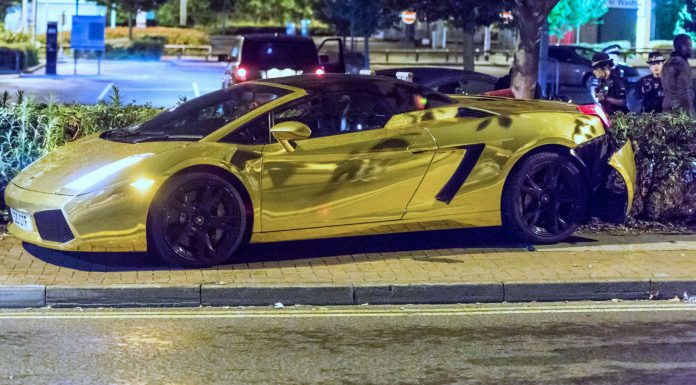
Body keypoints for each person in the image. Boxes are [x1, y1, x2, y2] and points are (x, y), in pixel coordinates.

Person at [661, 34, 695, 115]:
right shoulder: (681, 64)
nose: (691, 49)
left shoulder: (668, 62)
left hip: (667, 109)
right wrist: (691, 113)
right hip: (679, 111)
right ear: (683, 47)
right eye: (690, 46)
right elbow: (684, 91)